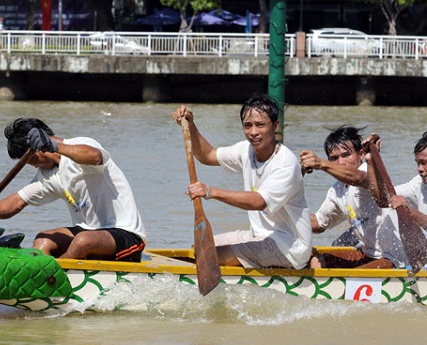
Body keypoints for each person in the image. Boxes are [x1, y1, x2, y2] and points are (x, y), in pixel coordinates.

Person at [0, 118, 147, 262]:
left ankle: (53, 279)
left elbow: (94, 156)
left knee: (83, 241)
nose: (33, 167)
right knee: (43, 240)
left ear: (37, 151)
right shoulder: (47, 176)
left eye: (30, 161)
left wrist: (56, 146)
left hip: (127, 235)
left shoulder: (81, 144)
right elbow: (18, 201)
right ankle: (43, 278)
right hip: (88, 231)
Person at [172, 93, 312, 269]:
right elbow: (207, 155)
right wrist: (191, 125)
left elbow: (259, 201)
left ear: (275, 126)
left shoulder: (286, 163)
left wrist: (210, 191)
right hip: (259, 236)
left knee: (213, 256)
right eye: (248, 125)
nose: (253, 132)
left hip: (289, 247)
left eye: (260, 125)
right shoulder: (246, 150)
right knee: (199, 249)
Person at [300, 125, 406, 269]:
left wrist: (320, 163)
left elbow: (359, 179)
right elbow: (318, 224)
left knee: (353, 278)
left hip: (394, 259)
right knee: (317, 262)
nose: (341, 162)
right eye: (334, 158)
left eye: (346, 155)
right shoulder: (337, 190)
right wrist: (285, 217)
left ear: (361, 155)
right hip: (367, 254)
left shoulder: (367, 170)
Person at [367, 131, 427, 230]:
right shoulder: (419, 183)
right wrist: (373, 160)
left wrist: (409, 211)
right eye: (418, 163)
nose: (419, 169)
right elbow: (386, 197)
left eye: (424, 163)